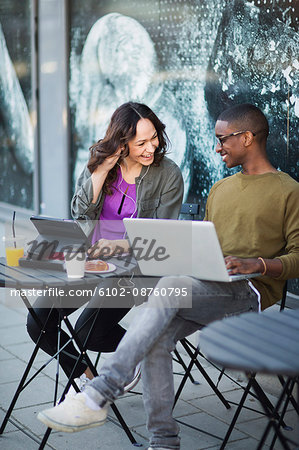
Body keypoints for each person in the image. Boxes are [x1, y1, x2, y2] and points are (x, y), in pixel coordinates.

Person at [37, 104, 299, 450]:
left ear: (247, 137)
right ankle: (163, 442)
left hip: (248, 291)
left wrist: (259, 265)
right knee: (154, 336)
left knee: (169, 285)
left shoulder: (288, 190)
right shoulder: (221, 190)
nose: (217, 147)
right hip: (203, 284)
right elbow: (201, 245)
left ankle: (100, 391)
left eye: (222, 139)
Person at [26, 102, 184, 392]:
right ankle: (88, 374)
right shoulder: (101, 161)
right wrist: (100, 172)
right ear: (122, 143)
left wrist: (118, 245)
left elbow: (164, 235)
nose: (152, 147)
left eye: (154, 137)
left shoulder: (168, 174)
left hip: (137, 269)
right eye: (141, 142)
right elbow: (80, 216)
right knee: (38, 322)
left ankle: (142, 349)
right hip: (90, 263)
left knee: (88, 333)